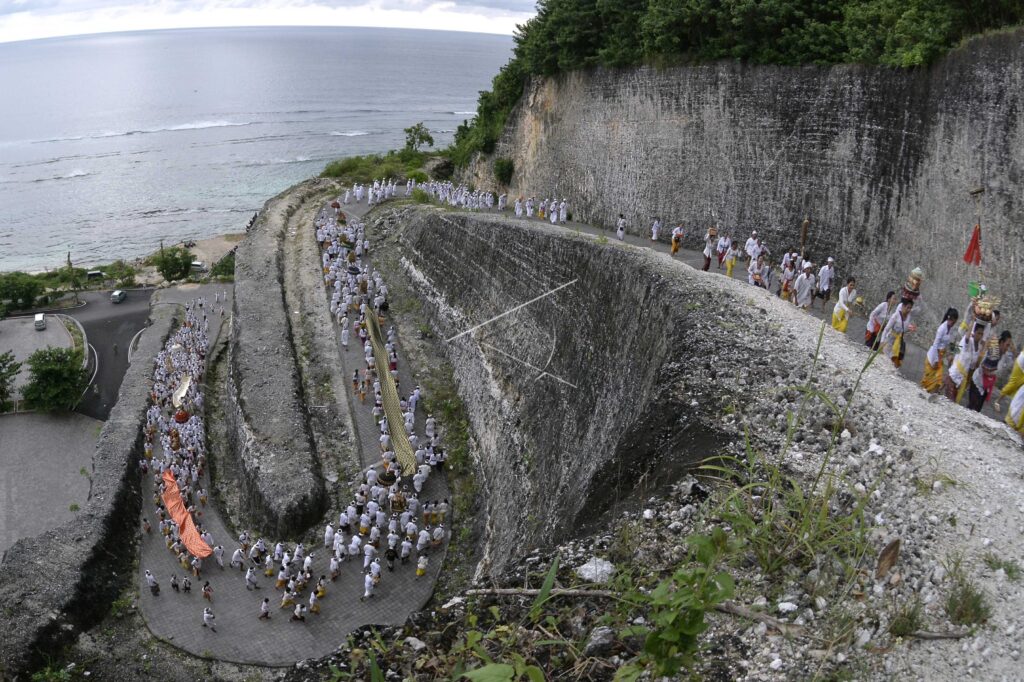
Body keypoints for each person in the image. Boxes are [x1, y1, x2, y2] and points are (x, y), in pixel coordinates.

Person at [921, 308, 959, 393]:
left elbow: (952, 343)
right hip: (934, 355)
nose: (953, 323)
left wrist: (954, 352)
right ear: (949, 318)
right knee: (928, 379)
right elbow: (935, 344)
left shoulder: (951, 329)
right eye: (953, 321)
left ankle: (932, 395)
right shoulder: (942, 328)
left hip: (940, 356)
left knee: (938, 379)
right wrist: (935, 360)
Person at [946, 322, 984, 404]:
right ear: (974, 332)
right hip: (955, 373)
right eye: (978, 333)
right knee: (948, 401)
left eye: (982, 334)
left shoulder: (979, 348)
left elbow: (973, 367)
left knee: (953, 402)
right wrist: (973, 320)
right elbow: (959, 347)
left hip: (962, 379)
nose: (980, 336)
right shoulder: (968, 341)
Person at [880, 299, 915, 368]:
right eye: (907, 307)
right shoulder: (895, 316)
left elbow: (903, 330)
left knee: (893, 364)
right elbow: (886, 329)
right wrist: (882, 341)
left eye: (910, 308)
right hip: (890, 342)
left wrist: (909, 329)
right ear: (902, 306)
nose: (909, 310)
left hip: (898, 343)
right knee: (885, 362)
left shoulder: (908, 317)